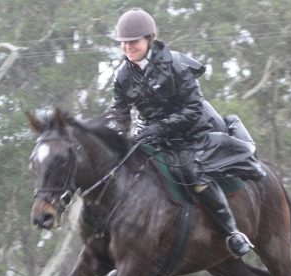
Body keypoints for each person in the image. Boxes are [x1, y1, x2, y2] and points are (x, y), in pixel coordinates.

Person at [104, 8, 266, 258]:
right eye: (123, 43)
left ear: (148, 39)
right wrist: (117, 136)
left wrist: (158, 129)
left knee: (191, 170)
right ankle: (126, 253)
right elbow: (119, 113)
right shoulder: (123, 75)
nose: (127, 47)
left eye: (133, 42)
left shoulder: (176, 64)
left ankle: (233, 232)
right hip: (153, 136)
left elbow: (193, 109)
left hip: (193, 133)